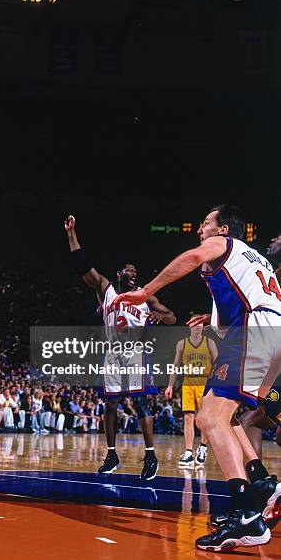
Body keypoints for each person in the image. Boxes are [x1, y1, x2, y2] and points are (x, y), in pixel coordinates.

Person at [113, 204, 280, 551]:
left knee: (208, 416)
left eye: (205, 224)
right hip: (267, 331)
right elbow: (225, 323)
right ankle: (261, 483)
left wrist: (146, 291)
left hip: (255, 329)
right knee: (224, 413)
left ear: (222, 230)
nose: (200, 230)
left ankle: (246, 514)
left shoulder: (224, 245)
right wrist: (210, 318)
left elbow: (190, 257)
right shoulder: (251, 263)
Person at [64, 214, 176, 479]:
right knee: (111, 405)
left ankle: (150, 456)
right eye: (128, 270)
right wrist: (71, 234)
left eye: (135, 270)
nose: (133, 272)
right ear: (118, 274)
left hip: (135, 353)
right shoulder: (106, 289)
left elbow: (172, 316)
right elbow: (83, 265)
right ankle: (111, 454)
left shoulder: (146, 296)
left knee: (140, 403)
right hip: (113, 354)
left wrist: (161, 317)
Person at [165, 323, 217, 468]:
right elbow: (175, 365)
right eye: (195, 324)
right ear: (190, 326)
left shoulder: (209, 342)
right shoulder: (182, 343)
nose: (198, 326)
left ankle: (202, 448)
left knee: (202, 418)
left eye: (200, 324)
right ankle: (188, 452)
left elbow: (218, 362)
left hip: (204, 381)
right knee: (188, 417)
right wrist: (170, 385)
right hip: (188, 381)